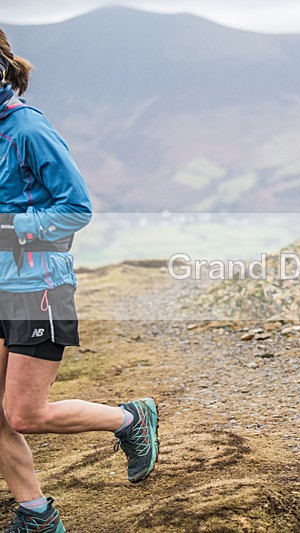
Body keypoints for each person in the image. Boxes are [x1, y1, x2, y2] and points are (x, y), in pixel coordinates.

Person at [0, 29, 158, 532]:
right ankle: (36, 515)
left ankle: (129, 420)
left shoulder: (27, 128)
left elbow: (76, 208)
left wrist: (8, 228)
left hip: (36, 288)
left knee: (24, 414)